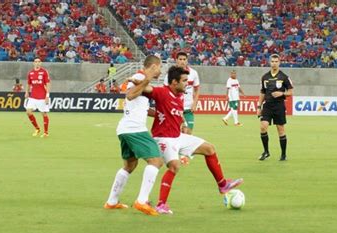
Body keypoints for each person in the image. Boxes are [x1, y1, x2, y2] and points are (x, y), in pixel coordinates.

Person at [136, 66, 244, 214]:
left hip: (177, 136)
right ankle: (161, 204)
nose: (187, 83)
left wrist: (182, 125)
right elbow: (145, 88)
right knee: (174, 166)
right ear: (174, 82)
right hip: (164, 138)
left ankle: (222, 185)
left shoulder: (180, 96)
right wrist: (134, 80)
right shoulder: (162, 92)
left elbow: (175, 114)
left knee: (209, 148)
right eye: (185, 80)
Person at [104, 55, 163, 216]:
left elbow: (140, 104)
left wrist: (160, 114)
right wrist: (146, 79)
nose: (160, 70)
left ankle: (112, 201)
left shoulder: (140, 79)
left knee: (129, 166)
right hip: (135, 129)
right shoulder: (139, 77)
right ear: (153, 66)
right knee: (156, 161)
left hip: (125, 129)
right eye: (159, 67)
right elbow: (130, 95)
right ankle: (142, 201)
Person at [257, 54, 294, 161]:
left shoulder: (284, 77)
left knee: (280, 130)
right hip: (267, 106)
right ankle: (266, 152)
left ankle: (283, 155)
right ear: (269, 62)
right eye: (272, 61)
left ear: (279, 62)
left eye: (276, 61)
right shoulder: (265, 77)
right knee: (263, 127)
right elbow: (262, 93)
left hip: (279, 106)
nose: (274, 63)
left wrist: (281, 94)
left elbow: (291, 92)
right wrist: (259, 107)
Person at [164, 52, 200, 134]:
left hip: (188, 109)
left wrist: (194, 103)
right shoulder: (170, 75)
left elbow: (197, 89)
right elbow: (165, 91)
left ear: (187, 60)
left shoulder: (193, 73)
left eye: (184, 59)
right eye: (180, 59)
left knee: (188, 133)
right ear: (176, 60)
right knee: (175, 134)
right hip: (174, 109)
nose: (182, 61)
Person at [25, 58, 51, 138]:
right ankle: (37, 128)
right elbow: (28, 84)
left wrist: (47, 96)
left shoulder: (44, 72)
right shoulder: (30, 73)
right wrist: (27, 92)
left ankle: (46, 132)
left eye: (39, 62)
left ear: (41, 63)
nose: (37, 63)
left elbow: (48, 84)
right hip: (33, 96)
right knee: (28, 112)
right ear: (33, 63)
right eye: (35, 62)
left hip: (42, 97)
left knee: (43, 114)